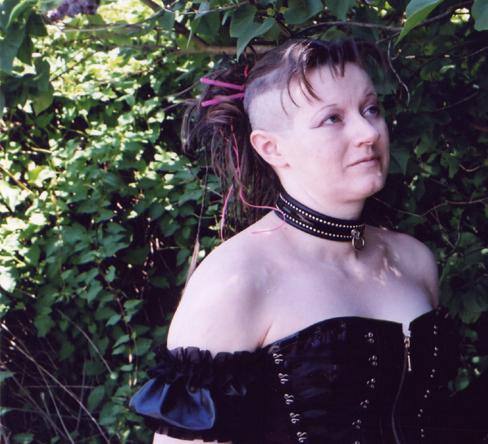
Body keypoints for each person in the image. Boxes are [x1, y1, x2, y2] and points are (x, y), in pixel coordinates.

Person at [129, 38, 462, 444]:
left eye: (371, 109)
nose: (368, 132)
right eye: (332, 119)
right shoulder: (236, 280)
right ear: (271, 148)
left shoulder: (412, 260)